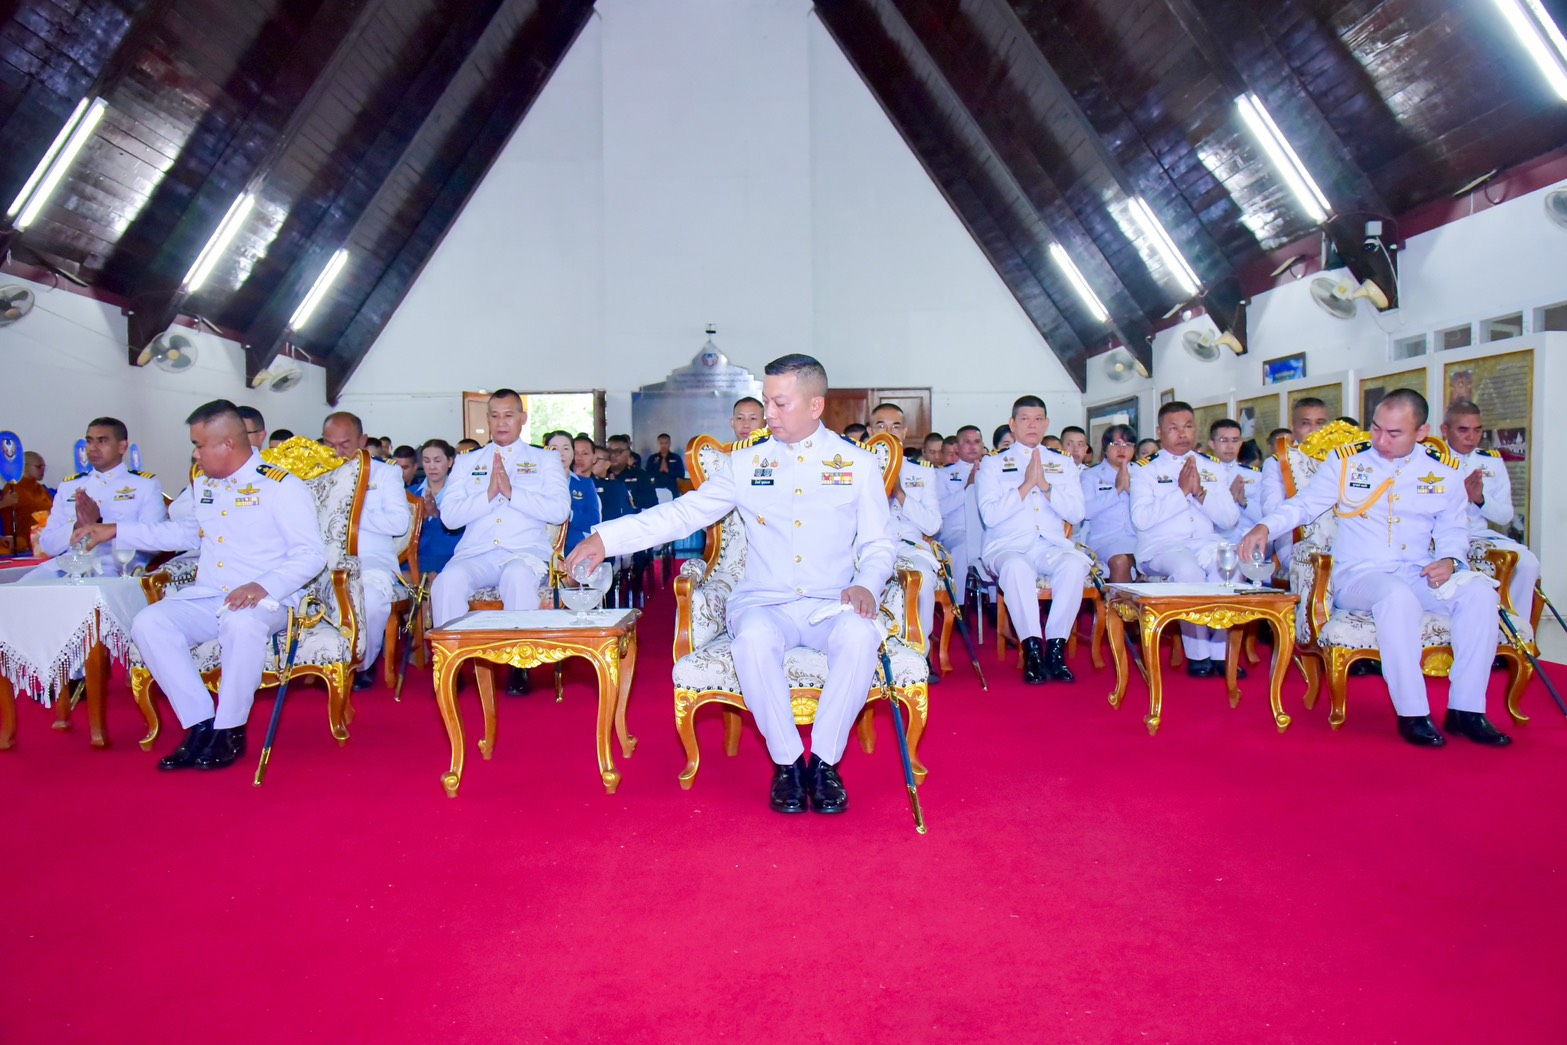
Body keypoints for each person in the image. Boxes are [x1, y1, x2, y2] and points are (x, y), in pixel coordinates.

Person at [565, 354, 894, 816]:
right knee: (753, 640)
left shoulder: (857, 464)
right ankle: (787, 764)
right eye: (766, 402)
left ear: (815, 405)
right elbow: (683, 514)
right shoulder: (747, 463)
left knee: (860, 635)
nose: (768, 413)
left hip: (831, 602)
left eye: (780, 403)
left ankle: (824, 764)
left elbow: (880, 543)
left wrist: (868, 584)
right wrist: (607, 538)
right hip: (765, 602)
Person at [1241, 390, 1510, 748]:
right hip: (1359, 575)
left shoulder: (1444, 473)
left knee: (1479, 593)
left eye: (1394, 433)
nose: (1381, 441)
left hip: (1416, 571)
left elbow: (1453, 531)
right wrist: (1265, 526)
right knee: (1396, 597)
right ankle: (1413, 713)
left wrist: (1449, 560)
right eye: (1376, 428)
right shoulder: (1347, 462)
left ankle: (1467, 710)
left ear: (1422, 432)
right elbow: (1303, 506)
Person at [75, 400, 326, 770]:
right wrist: (114, 530)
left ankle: (230, 730)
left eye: (199, 445)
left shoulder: (280, 486)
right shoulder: (206, 484)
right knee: (149, 623)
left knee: (240, 621)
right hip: (211, 594)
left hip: (269, 600)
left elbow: (311, 554)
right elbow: (184, 533)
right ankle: (200, 723)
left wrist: (261, 585)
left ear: (227, 444)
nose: (195, 453)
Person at [430, 389, 570, 627]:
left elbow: (559, 511)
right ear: (488, 419)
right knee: (446, 582)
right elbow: (450, 518)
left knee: (517, 576)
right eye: (495, 416)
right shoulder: (467, 461)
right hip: (477, 554)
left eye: (508, 415)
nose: (501, 422)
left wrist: (512, 493)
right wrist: (488, 495)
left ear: (523, 418)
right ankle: (452, 650)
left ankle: (520, 649)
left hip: (524, 552)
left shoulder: (544, 459)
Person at [977, 396, 1089, 685]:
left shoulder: (1062, 462)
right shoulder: (993, 464)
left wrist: (1046, 487)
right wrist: (1026, 485)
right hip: (1008, 546)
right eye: (1025, 419)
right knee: (1017, 568)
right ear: (1012, 424)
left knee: (1074, 566)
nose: (1032, 425)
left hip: (1050, 545)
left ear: (1047, 424)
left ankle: (1056, 649)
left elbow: (1076, 513)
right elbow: (990, 516)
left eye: (1038, 419)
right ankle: (1032, 651)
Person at [1131, 401, 1240, 678]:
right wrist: (1180, 492)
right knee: (1188, 571)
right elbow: (1141, 519)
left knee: (1229, 567)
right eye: (1174, 428)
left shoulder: (1212, 467)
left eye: (1188, 426)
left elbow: (1229, 520)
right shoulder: (1144, 470)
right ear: (1159, 432)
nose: (1182, 434)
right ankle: (1198, 655)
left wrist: (1201, 494)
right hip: (1161, 547)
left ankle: (1220, 652)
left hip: (1204, 542)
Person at [322, 412, 412, 690]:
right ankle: (321, 662)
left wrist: (353, 513)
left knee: (369, 598)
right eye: (330, 445)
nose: (338, 453)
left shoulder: (385, 473)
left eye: (345, 444)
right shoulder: (316, 474)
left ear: (362, 440)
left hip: (371, 561)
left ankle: (362, 662)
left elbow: (399, 523)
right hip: (322, 561)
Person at [31, 417, 166, 576]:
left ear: (122, 446)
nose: (93, 448)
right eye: (89, 441)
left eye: (102, 441)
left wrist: (100, 523)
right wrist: (78, 525)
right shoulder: (69, 486)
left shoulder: (145, 485)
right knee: (24, 585)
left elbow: (156, 542)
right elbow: (48, 545)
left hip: (116, 568)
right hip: (69, 565)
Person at [1442, 399, 1538, 620]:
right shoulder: (1432, 459)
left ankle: (1517, 628)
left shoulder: (1491, 462)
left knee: (1528, 563)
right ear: (1445, 430)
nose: (1471, 437)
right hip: (1443, 537)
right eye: (1463, 430)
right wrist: (1461, 497)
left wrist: (1480, 499)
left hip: (1479, 535)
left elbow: (1505, 516)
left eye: (1477, 430)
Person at [870, 403, 942, 660]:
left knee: (922, 578)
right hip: (871, 546)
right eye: (881, 426)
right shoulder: (859, 469)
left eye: (895, 426)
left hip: (910, 546)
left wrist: (900, 493)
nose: (888, 432)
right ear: (871, 431)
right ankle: (873, 653)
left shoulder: (923, 472)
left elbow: (933, 525)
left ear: (905, 432)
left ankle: (920, 654)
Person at [1259, 399, 1330, 572]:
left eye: (1320, 423)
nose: (1314, 430)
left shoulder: (1338, 459)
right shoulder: (1278, 462)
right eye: (1306, 423)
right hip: (1293, 539)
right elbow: (1271, 509)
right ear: (1294, 428)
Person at [1080, 424, 1137, 583]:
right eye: (1115, 444)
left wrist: (1130, 490)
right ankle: (1120, 600)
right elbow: (1085, 512)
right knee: (1120, 560)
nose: (1122, 449)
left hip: (1139, 538)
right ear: (1105, 448)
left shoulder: (1142, 473)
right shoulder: (1090, 476)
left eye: (1128, 444)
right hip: (1106, 540)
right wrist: (1117, 490)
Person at [936, 425, 985, 601]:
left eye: (976, 442)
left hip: (986, 531)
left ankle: (996, 605)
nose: (972, 446)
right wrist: (967, 488)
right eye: (967, 442)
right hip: (956, 532)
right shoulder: (943, 474)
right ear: (957, 447)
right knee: (963, 547)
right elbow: (940, 509)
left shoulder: (992, 470)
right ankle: (960, 604)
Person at [1208, 418, 1262, 544]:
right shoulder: (1203, 475)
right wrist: (1229, 499)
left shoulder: (1254, 475)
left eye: (1235, 440)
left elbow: (1266, 517)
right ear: (1212, 443)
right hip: (1215, 542)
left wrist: (1244, 502)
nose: (1230, 446)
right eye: (1223, 440)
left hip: (1248, 540)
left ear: (1241, 443)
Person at [413, 439, 463, 575]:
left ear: (450, 462)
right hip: (416, 563)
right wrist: (421, 519)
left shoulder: (461, 493)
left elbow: (462, 535)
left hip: (451, 561)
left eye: (437, 461)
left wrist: (436, 514)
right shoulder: (410, 493)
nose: (432, 467)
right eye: (426, 461)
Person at [2, 451, 56, 553]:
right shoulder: (13, 489)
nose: (42, 470)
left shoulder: (41, 489)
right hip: (23, 542)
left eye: (44, 467)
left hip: (48, 539)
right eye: (39, 467)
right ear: (24, 466)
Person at [564, 435, 602, 552]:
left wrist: (568, 514)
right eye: (575, 453)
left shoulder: (592, 485)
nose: (579, 458)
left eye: (585, 453)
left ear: (594, 458)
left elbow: (593, 521)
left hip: (581, 546)